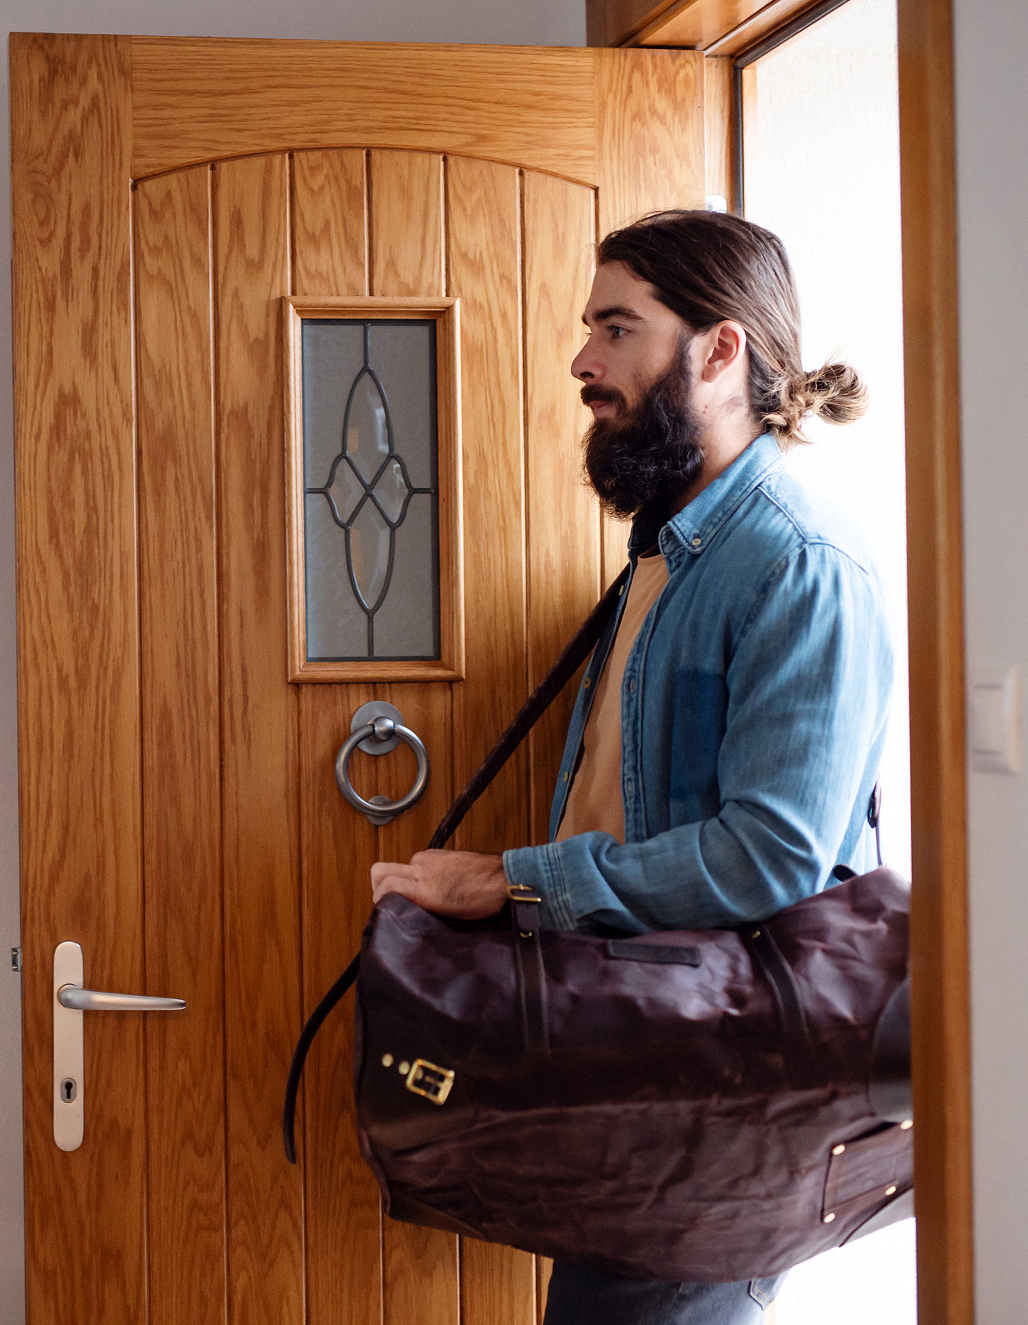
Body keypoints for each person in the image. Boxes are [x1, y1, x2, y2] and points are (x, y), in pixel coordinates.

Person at [367, 209, 894, 1324]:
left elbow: (774, 855)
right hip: (639, 1085)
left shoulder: (798, 569)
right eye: (588, 327)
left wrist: (511, 877)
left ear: (717, 351)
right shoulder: (668, 549)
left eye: (617, 328)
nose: (581, 360)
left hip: (716, 1103)